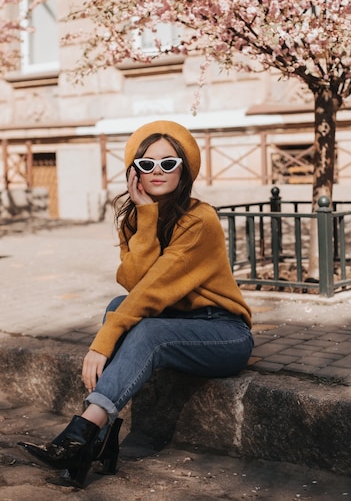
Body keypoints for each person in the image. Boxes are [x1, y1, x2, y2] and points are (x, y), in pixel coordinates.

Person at [19, 120, 253, 488]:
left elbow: (154, 289)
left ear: (184, 170)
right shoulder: (134, 219)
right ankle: (99, 443)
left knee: (146, 329)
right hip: (175, 319)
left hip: (222, 333)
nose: (157, 171)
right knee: (118, 303)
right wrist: (146, 218)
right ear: (134, 172)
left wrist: (104, 340)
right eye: (147, 164)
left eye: (168, 163)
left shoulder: (200, 219)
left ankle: (80, 434)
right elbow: (134, 283)